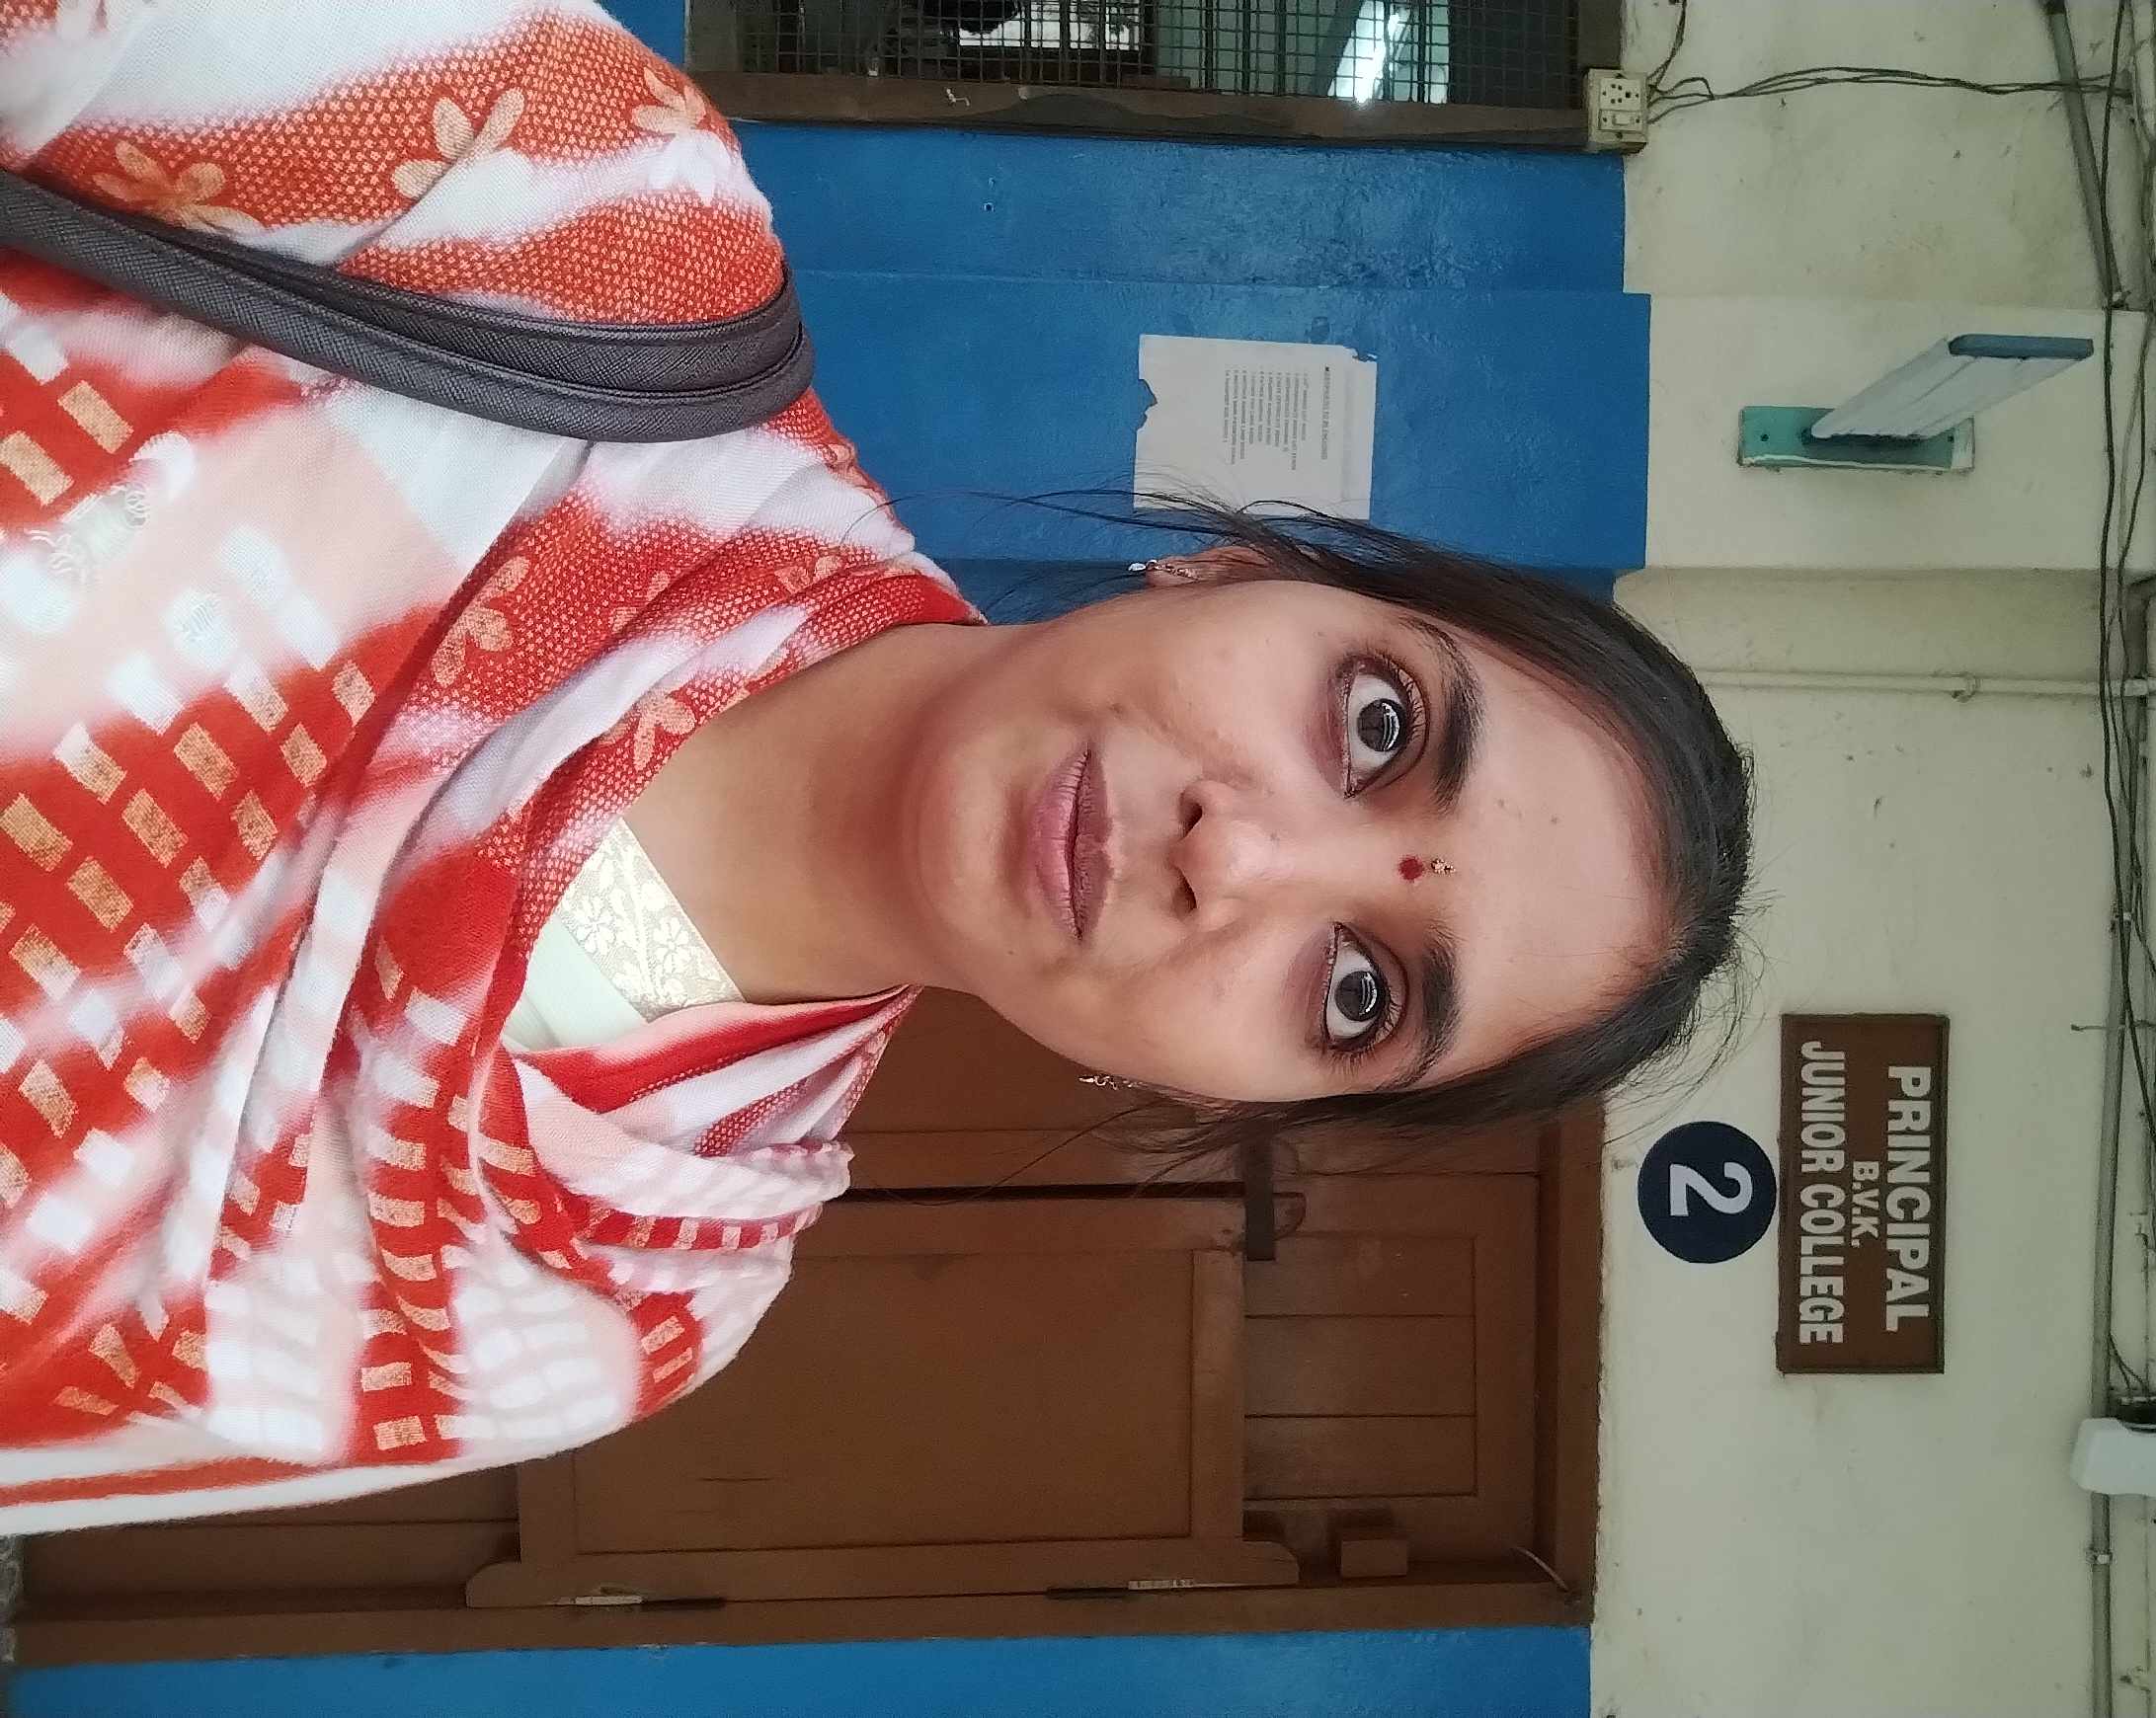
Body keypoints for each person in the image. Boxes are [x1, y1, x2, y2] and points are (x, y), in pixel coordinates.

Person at [0, 0, 1751, 1531]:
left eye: (1360, 991)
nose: (1240, 858)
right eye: (1378, 726)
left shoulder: (605, 1297)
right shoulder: (575, 218)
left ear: (1250, 1100)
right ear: (1235, 564)